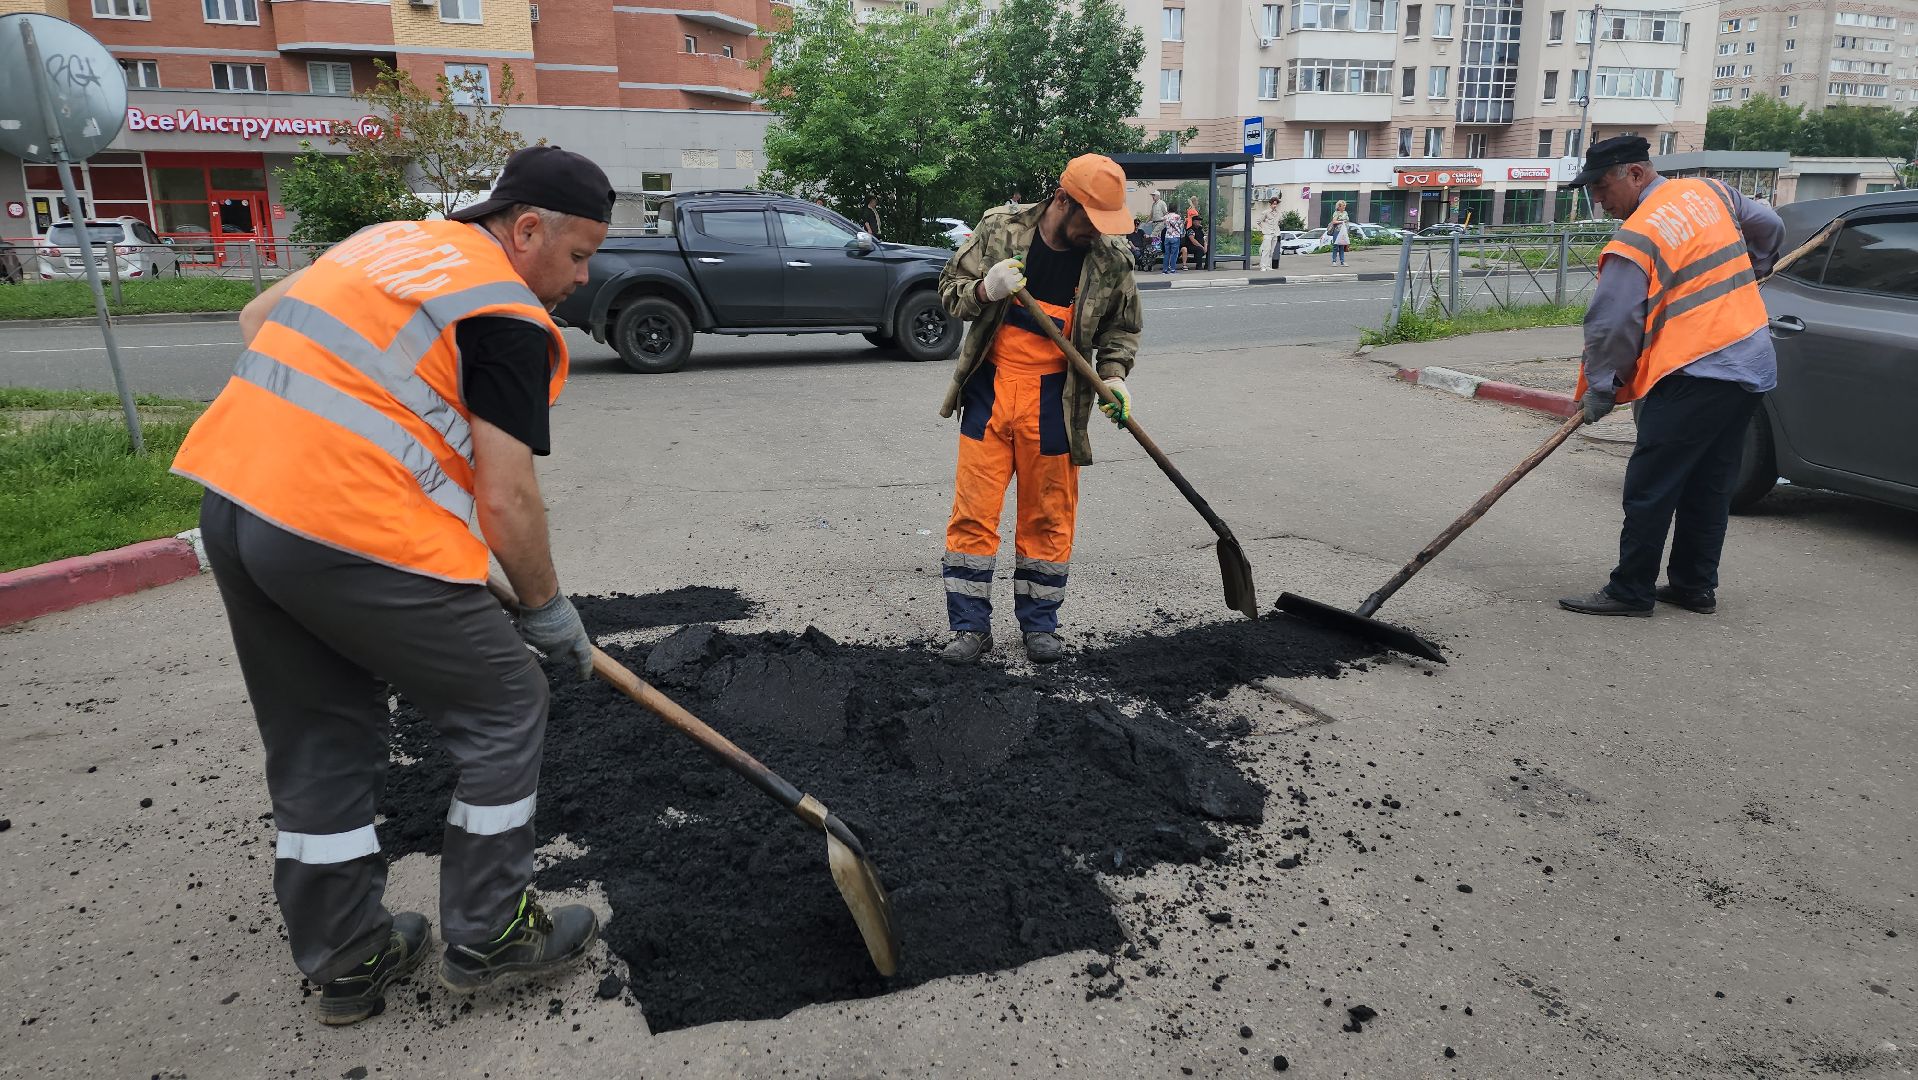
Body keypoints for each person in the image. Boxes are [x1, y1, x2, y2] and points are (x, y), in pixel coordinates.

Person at [170, 145, 614, 1024]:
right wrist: (547, 609)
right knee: (506, 702)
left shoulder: (392, 242)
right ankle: (493, 930)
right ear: (527, 230)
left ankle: (347, 953)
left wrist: (354, 418)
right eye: (578, 255)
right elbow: (506, 496)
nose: (583, 277)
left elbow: (259, 318)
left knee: (320, 728)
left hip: (237, 504)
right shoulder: (504, 315)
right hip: (342, 528)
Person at [1554, 135, 1783, 618]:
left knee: (1651, 486)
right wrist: (1756, 268)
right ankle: (1694, 586)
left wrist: (1600, 389)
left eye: (1601, 187)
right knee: (1709, 483)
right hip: (1749, 362)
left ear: (1636, 173)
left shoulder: (1636, 238)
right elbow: (1770, 225)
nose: (1599, 200)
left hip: (1692, 371)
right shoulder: (1711, 192)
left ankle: (1630, 591)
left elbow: (1611, 326)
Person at [934, 153, 1143, 665]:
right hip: (989, 392)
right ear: (1063, 200)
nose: (1099, 232)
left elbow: (1122, 328)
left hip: (1057, 400)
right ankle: (969, 628)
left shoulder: (1111, 260)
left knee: (1049, 517)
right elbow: (949, 294)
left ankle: (1040, 626)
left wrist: (1114, 375)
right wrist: (985, 288)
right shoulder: (999, 230)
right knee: (973, 514)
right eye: (1092, 220)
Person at [1255, 196, 1284, 271]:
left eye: (1276, 204)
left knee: (1271, 251)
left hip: (1275, 233)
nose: (1275, 205)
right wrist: (1264, 228)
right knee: (1266, 250)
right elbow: (1258, 221)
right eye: (1273, 204)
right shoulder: (1265, 212)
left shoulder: (1278, 213)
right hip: (1267, 233)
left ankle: (1268, 265)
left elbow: (1280, 221)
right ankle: (1263, 266)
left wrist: (1277, 227)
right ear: (1270, 204)